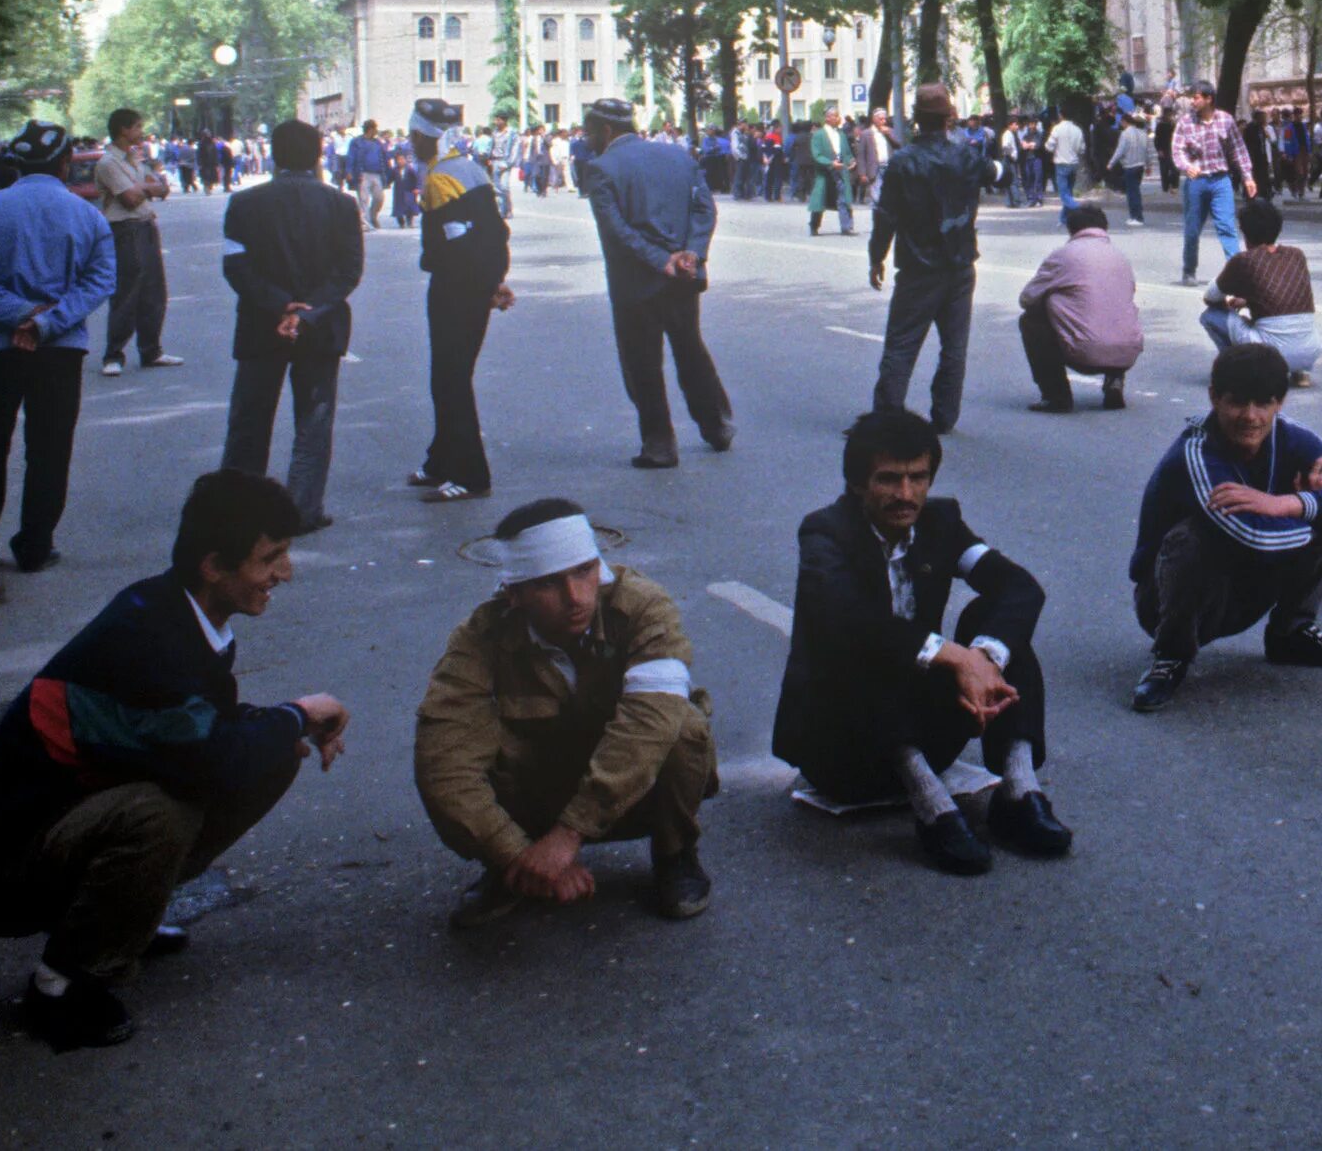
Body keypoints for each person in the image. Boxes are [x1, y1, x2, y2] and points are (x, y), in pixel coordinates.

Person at [0, 471, 346, 1049]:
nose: (285, 572)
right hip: (5, 868)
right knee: (164, 813)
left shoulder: (178, 611)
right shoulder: (149, 637)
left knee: (271, 752)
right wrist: (297, 714)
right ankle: (61, 983)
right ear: (213, 566)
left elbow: (199, 735)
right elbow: (203, 755)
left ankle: (123, 915)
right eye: (270, 557)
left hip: (63, 821)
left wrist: (291, 722)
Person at [771, 411, 1069, 875]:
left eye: (918, 477)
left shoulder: (941, 522)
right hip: (844, 749)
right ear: (857, 483)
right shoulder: (825, 533)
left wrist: (985, 659)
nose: (906, 495)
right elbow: (848, 621)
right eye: (888, 479)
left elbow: (1018, 587)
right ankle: (933, 808)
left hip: (922, 725)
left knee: (995, 626)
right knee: (861, 647)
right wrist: (953, 656)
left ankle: (1018, 790)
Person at [415, 499, 715, 928]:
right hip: (537, 797)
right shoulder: (479, 639)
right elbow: (443, 762)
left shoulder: (645, 607)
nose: (575, 598)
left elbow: (651, 722)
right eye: (548, 585)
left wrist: (569, 834)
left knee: (680, 725)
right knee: (466, 741)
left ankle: (675, 853)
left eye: (583, 572)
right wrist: (516, 853)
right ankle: (513, 871)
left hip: (629, 795)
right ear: (513, 594)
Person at [1125, 343, 1322, 712]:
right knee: (1191, 537)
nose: (1250, 416)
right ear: (1214, 397)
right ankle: (1171, 655)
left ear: (1280, 402)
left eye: (1264, 403)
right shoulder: (1196, 450)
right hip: (1175, 600)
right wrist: (1319, 511)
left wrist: (1289, 503)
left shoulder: (1294, 437)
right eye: (1236, 402)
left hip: (1251, 580)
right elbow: (1252, 535)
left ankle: (1291, 633)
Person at [0, 122, 115, 573]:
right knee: (50, 447)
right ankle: (36, 545)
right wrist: (47, 321)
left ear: (16, 163)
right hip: (59, 351)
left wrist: (16, 313)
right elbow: (100, 280)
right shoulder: (88, 217)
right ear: (64, 164)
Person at [220, 120, 363, 534]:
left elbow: (235, 266)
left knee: (249, 418)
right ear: (319, 154)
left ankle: (237, 508)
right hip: (321, 328)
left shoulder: (244, 204)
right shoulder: (341, 204)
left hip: (260, 325)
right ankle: (303, 508)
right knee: (313, 421)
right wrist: (308, 310)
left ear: (274, 154)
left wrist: (278, 305)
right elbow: (349, 271)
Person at [581, 98, 735, 468]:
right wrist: (691, 254)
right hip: (683, 276)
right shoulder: (678, 156)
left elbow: (616, 230)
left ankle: (660, 444)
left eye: (589, 131)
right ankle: (717, 427)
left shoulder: (601, 168)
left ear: (605, 130)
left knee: (642, 363)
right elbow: (705, 210)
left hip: (635, 283)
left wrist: (658, 260)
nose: (585, 139)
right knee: (691, 350)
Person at [864, 85, 989, 436]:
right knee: (955, 345)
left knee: (902, 343)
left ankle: (887, 415)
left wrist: (877, 258)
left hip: (919, 267)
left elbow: (885, 216)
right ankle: (945, 415)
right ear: (949, 118)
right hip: (961, 263)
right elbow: (999, 175)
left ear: (916, 119)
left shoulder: (903, 162)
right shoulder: (966, 156)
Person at [408, 101, 516, 503]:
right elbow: (495, 231)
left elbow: (457, 247)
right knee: (450, 376)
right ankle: (440, 460)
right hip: (475, 284)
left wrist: (484, 284)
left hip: (455, 289)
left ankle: (470, 474)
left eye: (412, 135)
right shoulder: (470, 167)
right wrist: (495, 281)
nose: (409, 142)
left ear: (422, 136)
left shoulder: (439, 179)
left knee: (450, 379)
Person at [1018, 204, 1143, 412]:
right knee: (1112, 308)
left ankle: (1055, 396)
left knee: (1031, 320)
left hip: (1084, 352)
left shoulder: (1063, 255)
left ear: (1071, 229)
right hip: (1126, 352)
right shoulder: (1120, 257)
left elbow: (1027, 298)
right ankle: (1114, 379)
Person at [93, 109, 181, 378]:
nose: (141, 132)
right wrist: (147, 188)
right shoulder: (109, 163)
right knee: (127, 290)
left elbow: (162, 188)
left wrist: (145, 188)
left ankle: (151, 350)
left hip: (145, 225)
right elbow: (129, 198)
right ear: (123, 130)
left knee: (154, 291)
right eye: (137, 127)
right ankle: (114, 354)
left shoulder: (134, 160)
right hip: (125, 229)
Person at [1199, 198, 1322, 382]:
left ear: (1245, 231)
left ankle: (1238, 368)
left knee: (1210, 316)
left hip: (1271, 355)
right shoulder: (1297, 255)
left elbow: (1210, 297)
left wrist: (1230, 305)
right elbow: (1283, 293)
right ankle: (1300, 372)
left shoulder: (1245, 260)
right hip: (1310, 350)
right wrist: (1248, 300)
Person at [1171, 81, 1258, 285]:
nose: (1193, 101)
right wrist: (1186, 166)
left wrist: (1248, 176)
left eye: (1196, 97)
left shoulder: (1226, 120)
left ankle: (1236, 272)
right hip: (1196, 183)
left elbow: (1238, 150)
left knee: (1227, 227)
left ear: (1209, 99)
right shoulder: (1186, 122)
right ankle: (1189, 270)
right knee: (1192, 230)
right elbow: (1177, 150)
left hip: (1221, 181)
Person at [806, 109, 855, 237]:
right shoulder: (819, 135)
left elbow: (847, 152)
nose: (838, 118)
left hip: (840, 169)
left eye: (838, 115)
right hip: (825, 171)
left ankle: (846, 227)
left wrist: (851, 160)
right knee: (820, 198)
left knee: (844, 197)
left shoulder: (841, 134)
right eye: (835, 116)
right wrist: (830, 163)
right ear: (827, 118)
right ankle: (814, 225)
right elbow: (816, 154)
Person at [1109, 110, 1154, 225]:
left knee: (1132, 193)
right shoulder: (1143, 133)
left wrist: (1111, 163)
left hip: (1129, 165)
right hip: (1140, 165)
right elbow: (1148, 151)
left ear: (1125, 122)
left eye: (1121, 122)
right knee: (1135, 191)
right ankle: (1135, 216)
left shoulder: (1125, 134)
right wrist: (1149, 165)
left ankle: (1137, 217)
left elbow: (1120, 150)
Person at [1046, 110, 1087, 220]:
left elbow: (1049, 146)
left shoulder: (1057, 129)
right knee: (1068, 192)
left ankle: (1079, 208)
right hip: (1074, 163)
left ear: (1061, 115)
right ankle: (1064, 218)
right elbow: (1082, 149)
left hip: (1061, 163)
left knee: (1064, 195)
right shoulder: (1078, 130)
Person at [347, 122, 389, 229]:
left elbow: (384, 158)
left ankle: (373, 215)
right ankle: (363, 222)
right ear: (370, 129)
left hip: (377, 174)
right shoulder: (356, 142)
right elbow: (351, 157)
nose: (376, 131)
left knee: (379, 198)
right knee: (363, 199)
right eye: (375, 129)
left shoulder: (377, 143)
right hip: (363, 174)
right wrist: (349, 171)